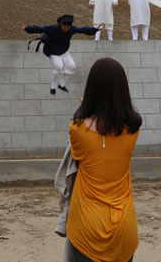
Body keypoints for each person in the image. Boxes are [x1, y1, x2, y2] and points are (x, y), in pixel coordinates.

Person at [67, 57, 142, 262]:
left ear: (92, 89)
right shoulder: (133, 129)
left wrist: (84, 109)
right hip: (124, 226)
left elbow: (78, 158)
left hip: (86, 225)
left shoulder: (77, 129)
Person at [21, 15, 100, 95]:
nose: (66, 29)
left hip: (64, 51)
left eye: (68, 27)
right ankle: (53, 87)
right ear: (60, 25)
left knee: (72, 66)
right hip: (52, 52)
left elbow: (83, 30)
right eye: (64, 27)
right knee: (59, 67)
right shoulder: (53, 28)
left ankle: (62, 85)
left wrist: (95, 29)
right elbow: (40, 29)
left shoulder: (72, 29)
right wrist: (27, 28)